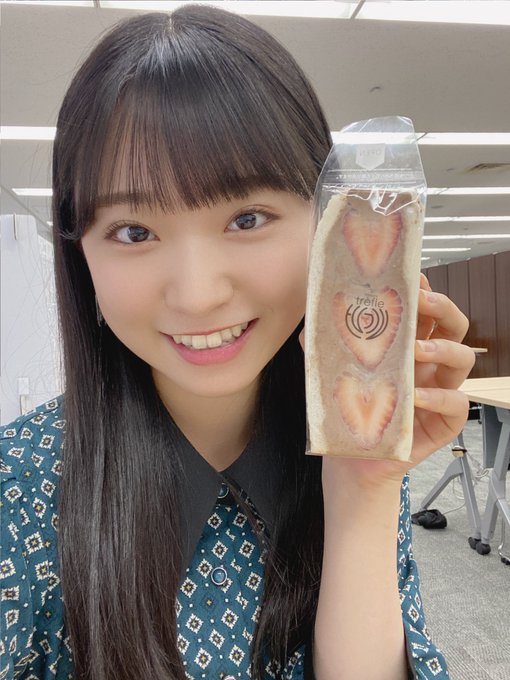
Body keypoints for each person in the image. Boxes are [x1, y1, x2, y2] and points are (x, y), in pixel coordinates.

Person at [0, 5, 474, 680]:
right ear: (82, 254)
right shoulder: (17, 494)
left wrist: (364, 488)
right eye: (134, 232)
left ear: (328, 221)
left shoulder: (347, 451)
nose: (197, 295)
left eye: (247, 218)